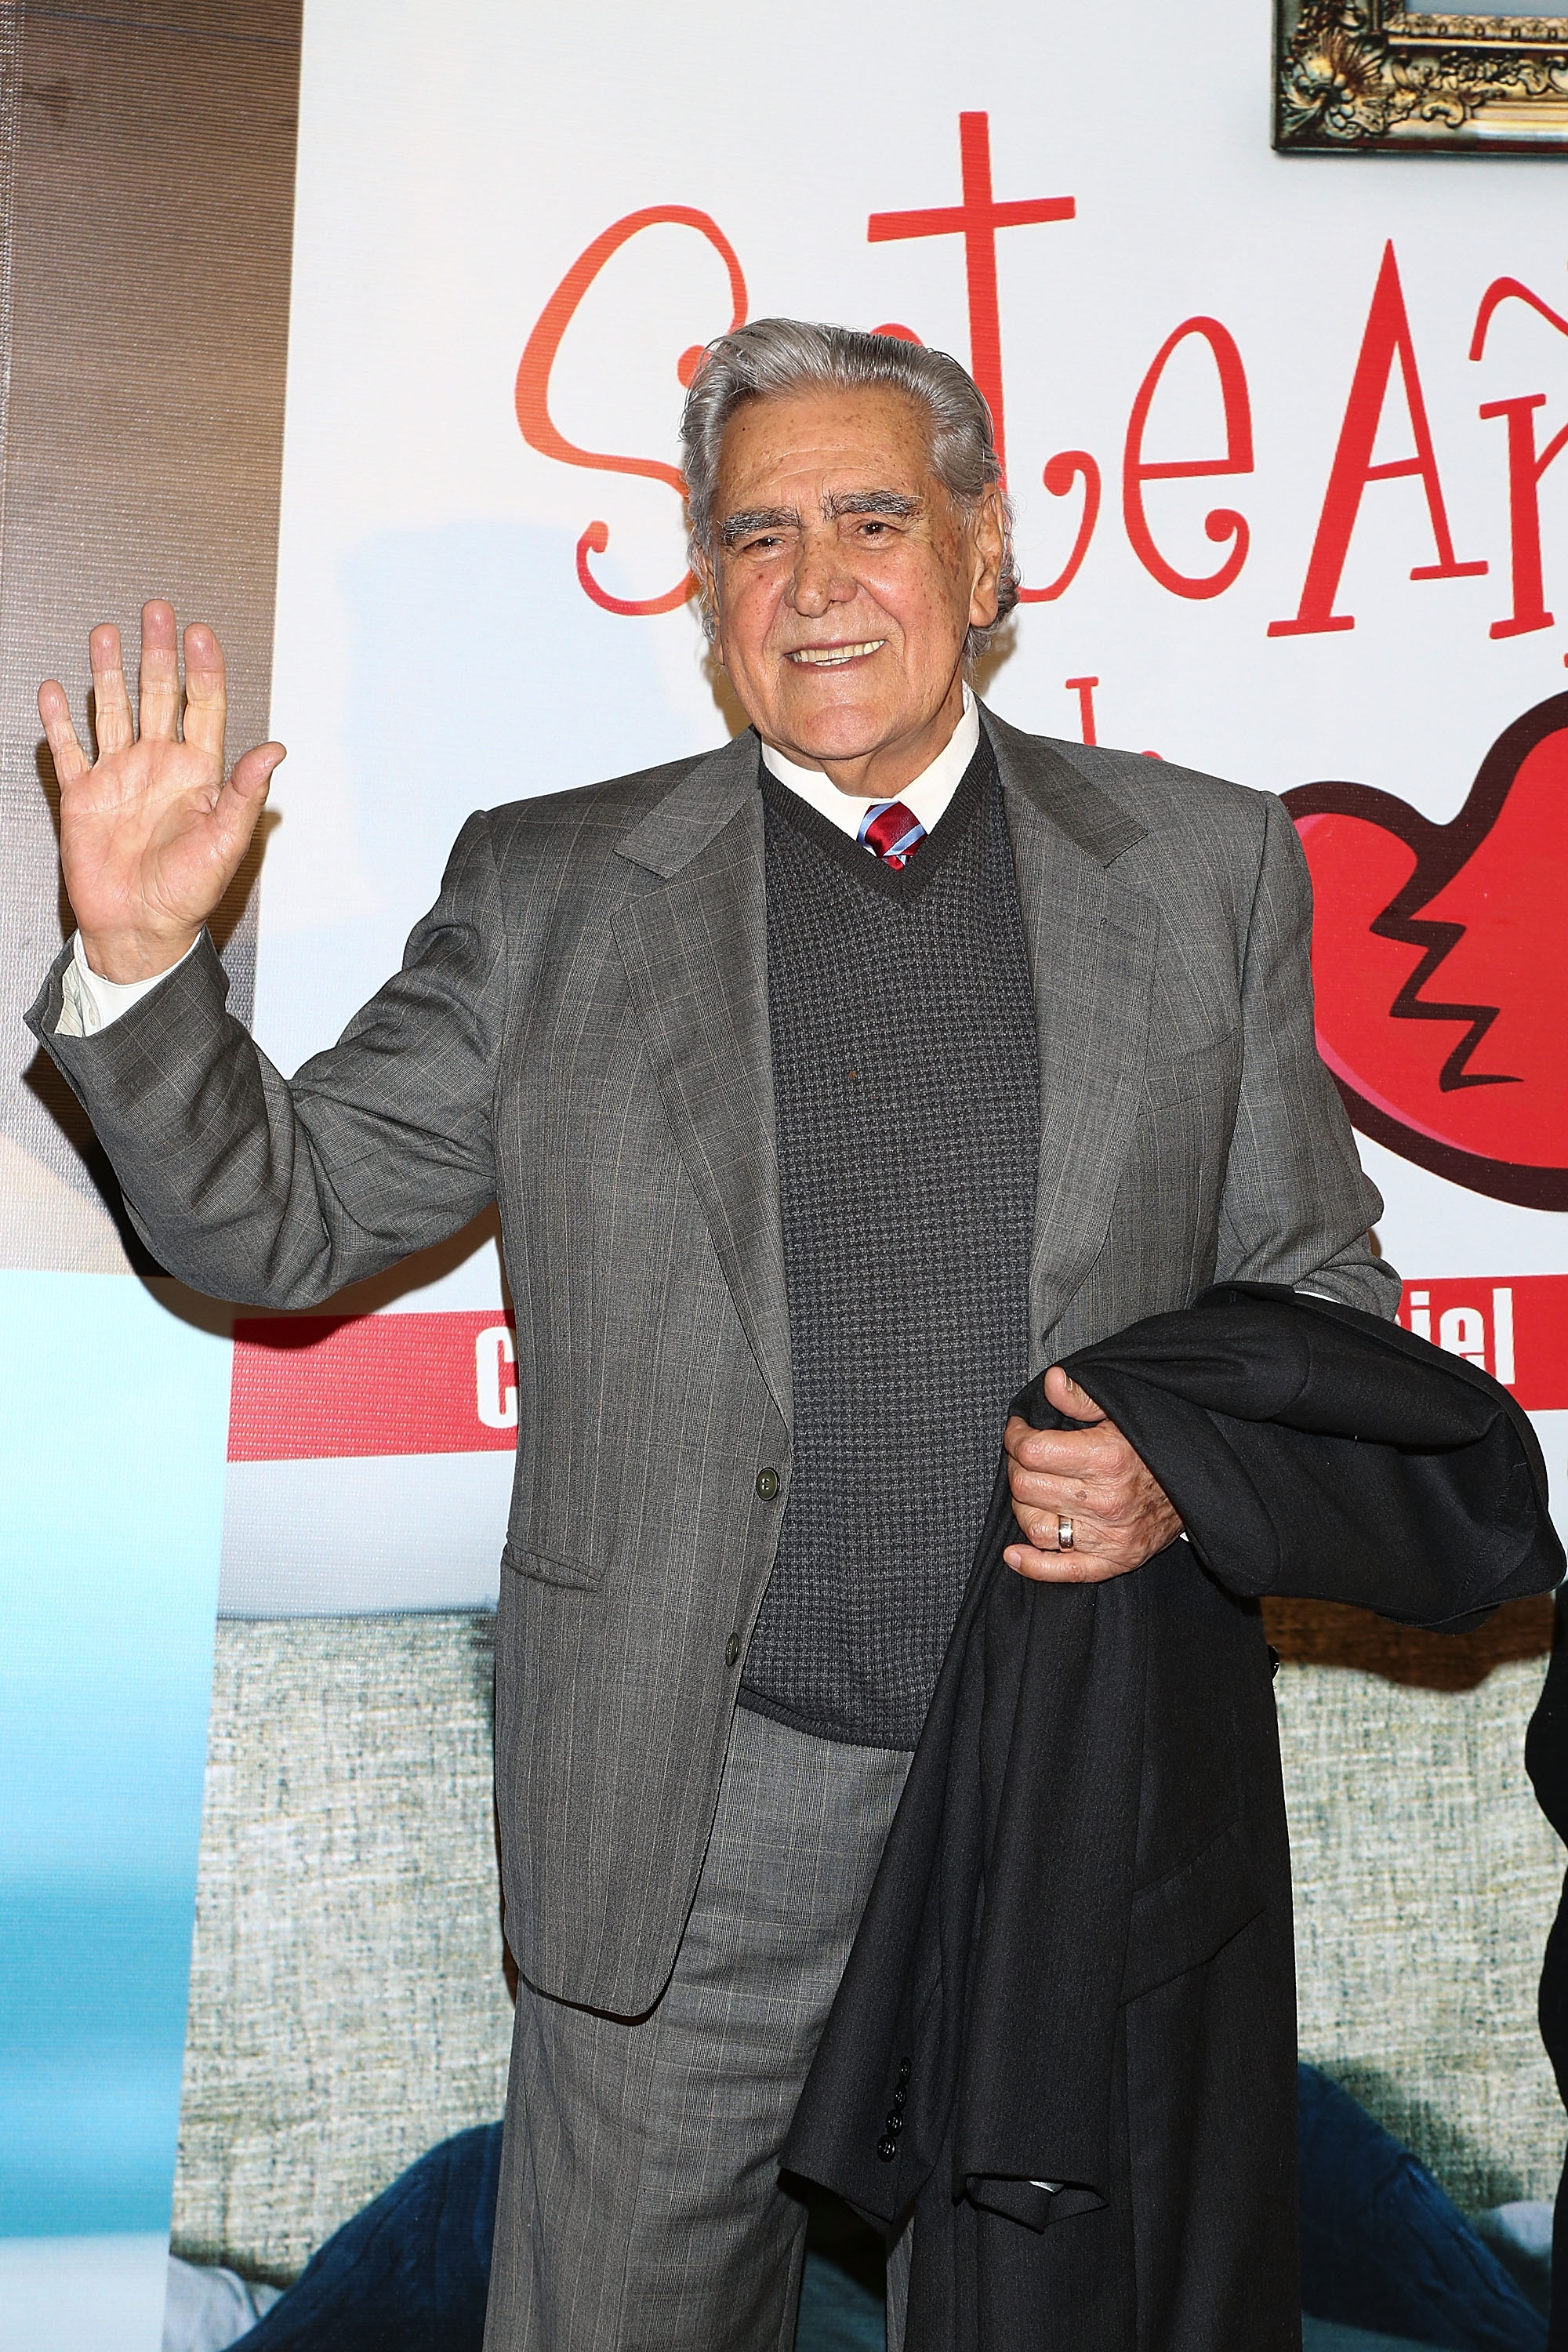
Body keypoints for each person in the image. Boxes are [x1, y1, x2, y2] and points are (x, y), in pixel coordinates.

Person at [28, 321, 1396, 2352]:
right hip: (688, 1823)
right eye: (757, 534)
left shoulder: (1203, 869)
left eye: (870, 516)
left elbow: (1321, 1301)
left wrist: (1187, 1475)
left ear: (987, 549)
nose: (816, 579)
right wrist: (145, 967)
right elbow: (284, 1219)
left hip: (1058, 1793)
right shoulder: (557, 887)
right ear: (705, 588)